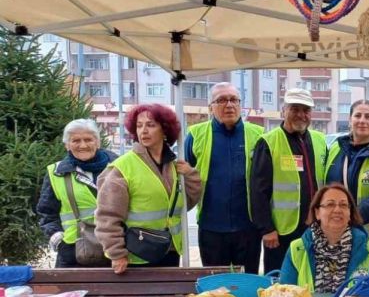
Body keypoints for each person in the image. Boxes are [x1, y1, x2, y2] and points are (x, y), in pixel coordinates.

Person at [95, 104, 201, 273]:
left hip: (169, 250)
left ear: (165, 130)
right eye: (139, 125)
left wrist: (190, 176)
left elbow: (185, 204)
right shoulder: (123, 168)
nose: (143, 130)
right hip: (136, 255)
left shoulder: (174, 166)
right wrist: (116, 253)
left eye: (151, 125)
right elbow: (107, 217)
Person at [185, 83, 264, 273]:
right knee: (215, 286)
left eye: (233, 100)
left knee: (247, 284)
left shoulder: (258, 134)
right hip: (211, 227)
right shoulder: (195, 135)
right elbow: (185, 176)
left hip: (248, 227)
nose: (229, 105)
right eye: (221, 100)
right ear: (210, 107)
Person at [250, 88, 328, 273]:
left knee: (311, 278)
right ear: (284, 110)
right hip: (281, 231)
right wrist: (266, 229)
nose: (301, 115)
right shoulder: (268, 142)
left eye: (306, 110)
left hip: (314, 228)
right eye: (295, 109)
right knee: (282, 281)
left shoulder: (319, 141)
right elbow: (258, 191)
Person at [324, 99, 369, 275]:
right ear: (350, 120)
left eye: (368, 116)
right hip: (337, 232)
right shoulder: (335, 149)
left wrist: (351, 217)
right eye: (357, 115)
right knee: (338, 282)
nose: (362, 120)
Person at [37, 119, 117, 267]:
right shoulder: (56, 173)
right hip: (73, 253)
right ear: (67, 145)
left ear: (98, 142)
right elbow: (46, 213)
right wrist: (59, 240)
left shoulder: (119, 167)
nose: (83, 145)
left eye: (88, 139)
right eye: (76, 140)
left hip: (117, 250)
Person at [280, 183, 369, 292]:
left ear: (350, 213)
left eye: (343, 205)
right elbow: (284, 295)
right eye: (330, 204)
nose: (337, 210)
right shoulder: (297, 248)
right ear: (317, 213)